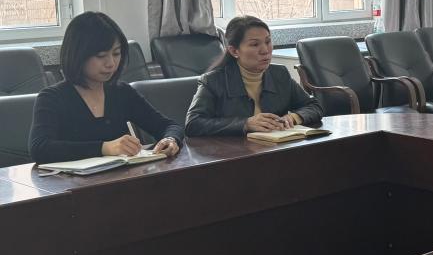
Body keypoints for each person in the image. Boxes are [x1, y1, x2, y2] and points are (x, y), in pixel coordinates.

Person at [29, 12, 183, 164]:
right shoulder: (52, 98)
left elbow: (169, 126)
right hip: (72, 180)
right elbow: (40, 148)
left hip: (122, 177)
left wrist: (170, 139)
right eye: (101, 56)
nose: (111, 63)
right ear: (78, 55)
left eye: (116, 54)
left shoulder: (121, 92)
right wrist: (104, 148)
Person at [185, 15, 322, 136]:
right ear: (234, 51)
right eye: (255, 44)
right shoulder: (213, 81)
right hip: (233, 151)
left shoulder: (279, 74)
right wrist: (245, 124)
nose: (265, 50)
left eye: (268, 42)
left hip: (276, 148)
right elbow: (193, 123)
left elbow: (314, 106)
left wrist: (293, 117)